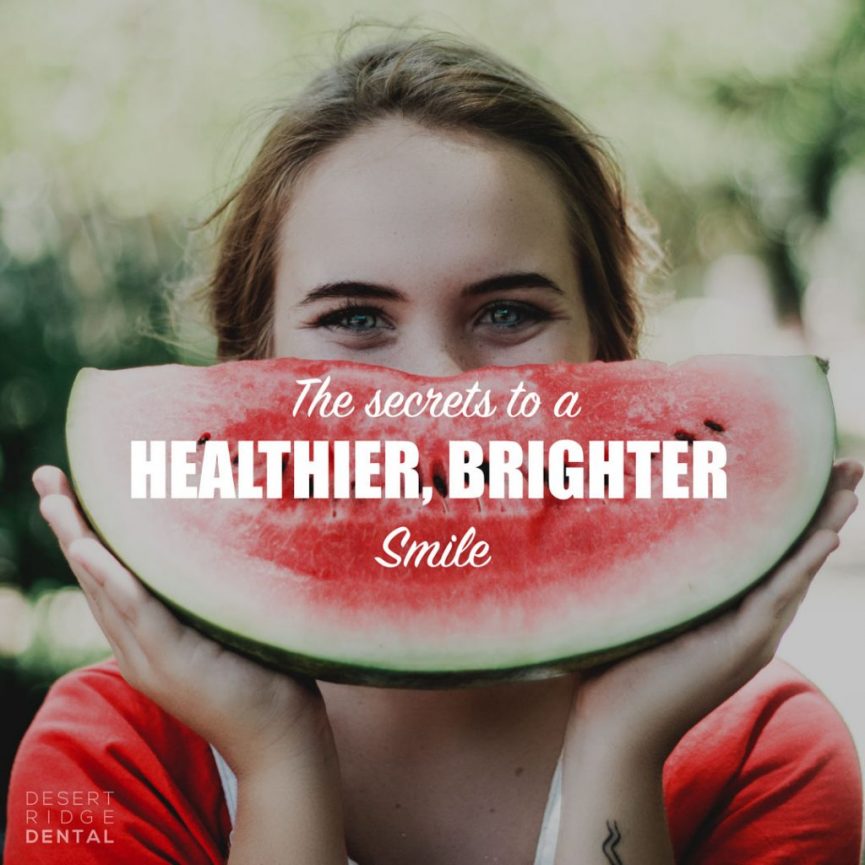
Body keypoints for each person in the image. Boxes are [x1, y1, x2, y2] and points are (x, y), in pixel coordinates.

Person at [7, 29, 863, 865]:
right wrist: (276, 757)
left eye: (508, 313)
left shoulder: (763, 752)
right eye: (354, 318)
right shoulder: (103, 760)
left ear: (610, 352)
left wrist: (618, 746)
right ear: (248, 367)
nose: (438, 386)